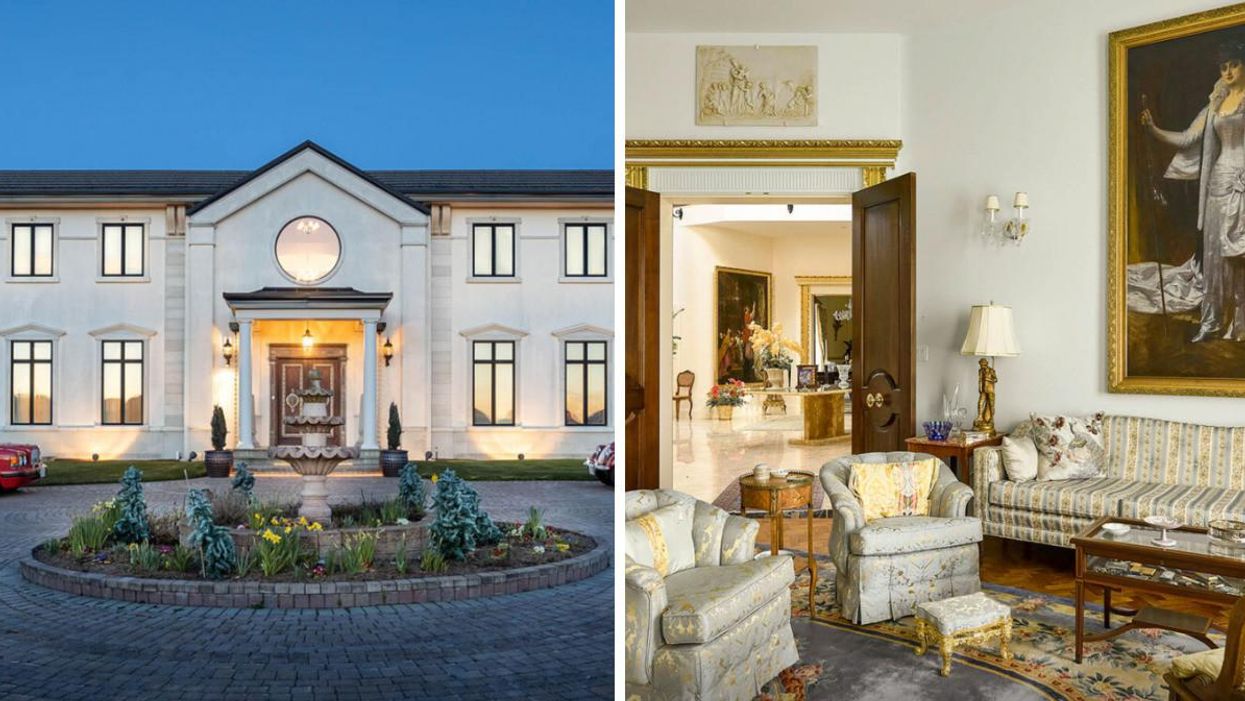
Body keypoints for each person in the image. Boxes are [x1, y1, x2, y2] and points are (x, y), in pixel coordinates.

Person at [1142, 46, 1245, 341]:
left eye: (1234, 65)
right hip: (1219, 182)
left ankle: (1240, 323)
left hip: (1243, 182)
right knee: (1215, 254)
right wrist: (1153, 129)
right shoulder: (1215, 104)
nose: (1227, 72)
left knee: (1239, 253)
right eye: (1223, 66)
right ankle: (1212, 321)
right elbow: (1188, 137)